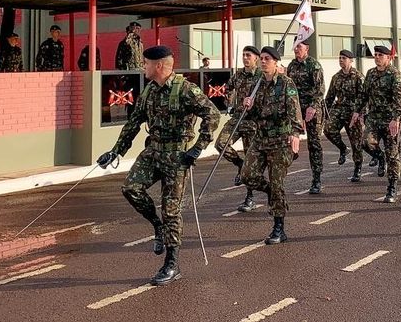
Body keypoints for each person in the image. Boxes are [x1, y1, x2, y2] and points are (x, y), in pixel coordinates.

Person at [96, 45, 219, 287]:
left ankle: (172, 263)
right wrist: (115, 151)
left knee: (171, 210)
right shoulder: (150, 90)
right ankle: (157, 226)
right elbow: (134, 122)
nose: (144, 67)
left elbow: (212, 114)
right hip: (153, 151)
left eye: (146, 63)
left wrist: (198, 147)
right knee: (131, 188)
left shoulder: (186, 89)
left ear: (159, 65)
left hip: (177, 156)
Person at [240, 46, 303, 245]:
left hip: (280, 141)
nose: (263, 61)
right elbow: (254, 115)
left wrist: (295, 134)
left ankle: (279, 227)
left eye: (267, 59)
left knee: (277, 183)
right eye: (262, 58)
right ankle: (270, 191)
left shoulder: (286, 83)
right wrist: (248, 106)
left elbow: (294, 110)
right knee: (247, 176)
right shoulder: (257, 84)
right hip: (260, 139)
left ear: (276, 62)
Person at [353, 45, 401, 201]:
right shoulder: (371, 73)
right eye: (375, 55)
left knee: (393, 154)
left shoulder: (394, 74)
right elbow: (364, 94)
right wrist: (357, 111)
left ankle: (392, 187)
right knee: (365, 142)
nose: (377, 57)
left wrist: (396, 118)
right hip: (374, 118)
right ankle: (380, 158)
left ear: (388, 58)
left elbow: (399, 98)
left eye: (380, 55)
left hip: (390, 120)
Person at [215, 46, 262, 212]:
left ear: (256, 58)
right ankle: (239, 164)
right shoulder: (238, 74)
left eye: (248, 55)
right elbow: (228, 88)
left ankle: (250, 197)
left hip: (252, 121)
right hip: (237, 118)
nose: (245, 58)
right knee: (221, 144)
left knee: (250, 161)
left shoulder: (261, 76)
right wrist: (229, 99)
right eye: (243, 55)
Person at [286, 39, 325, 194]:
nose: (296, 49)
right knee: (288, 138)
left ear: (307, 48)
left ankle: (316, 179)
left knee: (314, 144)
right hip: (296, 109)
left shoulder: (314, 65)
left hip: (312, 110)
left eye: (299, 46)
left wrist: (313, 106)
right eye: (295, 46)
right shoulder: (291, 66)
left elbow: (320, 89)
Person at [324, 49, 365, 181]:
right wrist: (325, 114)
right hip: (339, 110)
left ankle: (357, 168)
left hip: (354, 112)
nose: (341, 60)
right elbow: (329, 97)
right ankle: (342, 148)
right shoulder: (336, 77)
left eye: (344, 58)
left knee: (356, 142)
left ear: (351, 60)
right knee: (328, 129)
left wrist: (361, 114)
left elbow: (364, 96)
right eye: (340, 58)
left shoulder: (358, 76)